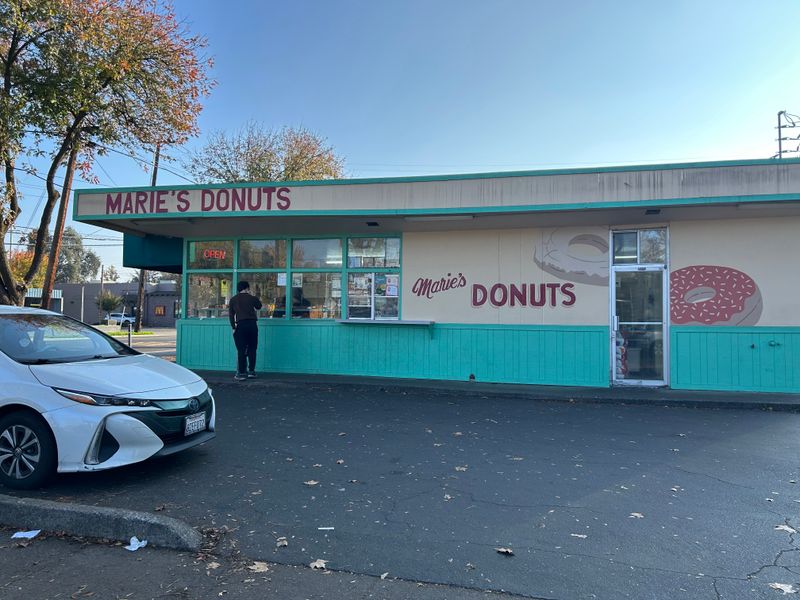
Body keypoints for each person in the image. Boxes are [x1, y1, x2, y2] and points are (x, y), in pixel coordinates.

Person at [228, 280, 262, 381]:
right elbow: (259, 306)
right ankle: (251, 371)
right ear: (247, 288)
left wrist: (233, 327)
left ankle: (242, 373)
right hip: (252, 325)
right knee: (252, 348)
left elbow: (231, 315)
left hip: (241, 325)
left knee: (241, 350)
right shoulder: (252, 298)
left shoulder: (233, 299)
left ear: (238, 289)